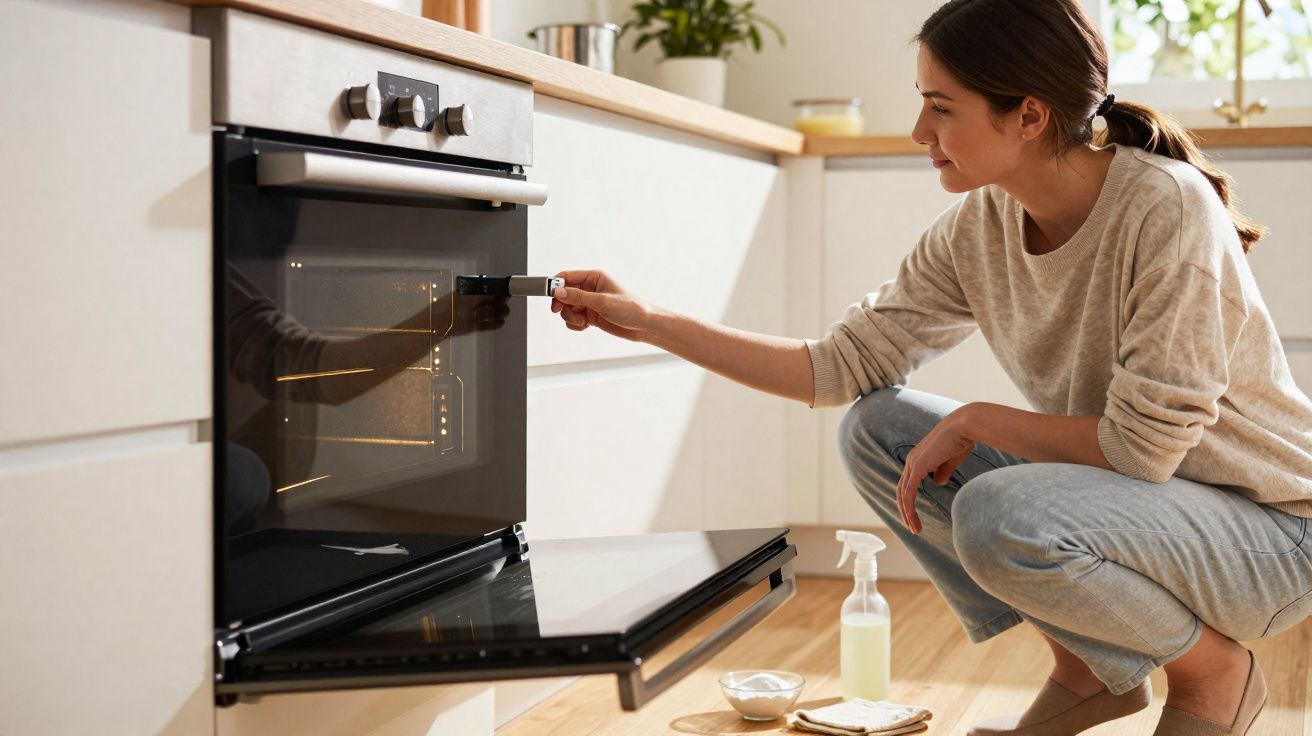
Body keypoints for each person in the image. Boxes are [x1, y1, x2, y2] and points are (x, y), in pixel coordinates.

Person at [546, 1, 1312, 734]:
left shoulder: (1166, 206)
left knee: (1000, 511)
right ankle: (1085, 668)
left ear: (1029, 115)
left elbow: (1144, 450)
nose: (919, 132)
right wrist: (648, 322)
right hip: (1144, 508)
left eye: (941, 108)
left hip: (1271, 534)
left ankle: (1213, 675)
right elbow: (836, 368)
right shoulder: (981, 226)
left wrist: (978, 420)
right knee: (877, 429)